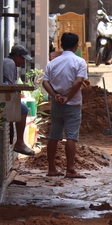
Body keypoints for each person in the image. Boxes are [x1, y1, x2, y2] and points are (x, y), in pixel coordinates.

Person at [42, 32, 89, 179]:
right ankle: (70, 169)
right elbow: (78, 82)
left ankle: (51, 168)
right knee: (71, 137)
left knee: (54, 135)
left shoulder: (52, 62)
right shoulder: (80, 62)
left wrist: (55, 96)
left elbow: (45, 82)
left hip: (56, 104)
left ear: (61, 45)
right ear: (76, 46)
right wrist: (68, 98)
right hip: (73, 104)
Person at [3, 44, 35, 156]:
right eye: (22, 58)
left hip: (7, 97)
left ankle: (20, 142)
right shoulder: (9, 63)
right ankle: (20, 142)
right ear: (17, 56)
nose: (23, 62)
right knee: (23, 109)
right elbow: (7, 84)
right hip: (4, 98)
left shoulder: (9, 63)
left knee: (22, 108)